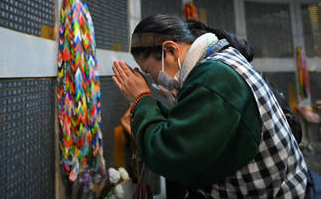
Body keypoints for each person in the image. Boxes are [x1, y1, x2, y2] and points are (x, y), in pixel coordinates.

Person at [112, 14, 314, 198]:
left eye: (149, 71)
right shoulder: (219, 62)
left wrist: (142, 97)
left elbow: (169, 155)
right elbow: (184, 128)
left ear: (170, 49)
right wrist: (146, 101)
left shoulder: (213, 77)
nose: (155, 80)